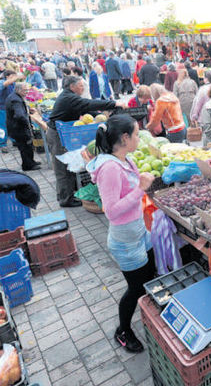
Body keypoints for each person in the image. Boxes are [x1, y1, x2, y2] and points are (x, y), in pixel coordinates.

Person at [86, 115, 156, 353]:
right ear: (125, 138)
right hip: (125, 241)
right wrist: (140, 190)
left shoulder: (124, 160)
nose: (139, 138)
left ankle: (151, 317)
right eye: (136, 134)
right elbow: (111, 211)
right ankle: (123, 330)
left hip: (138, 232)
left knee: (150, 276)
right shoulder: (109, 168)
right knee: (135, 288)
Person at [47, 76, 125, 207]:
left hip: (61, 132)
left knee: (65, 166)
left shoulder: (69, 96)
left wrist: (102, 117)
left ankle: (66, 193)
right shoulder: (69, 97)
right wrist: (113, 104)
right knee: (61, 167)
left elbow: (86, 109)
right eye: (80, 85)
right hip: (56, 134)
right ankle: (65, 199)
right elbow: (88, 103)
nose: (82, 88)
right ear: (72, 86)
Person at [5, 82, 43, 171]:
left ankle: (31, 161)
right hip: (18, 128)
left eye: (27, 90)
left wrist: (28, 110)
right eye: (25, 90)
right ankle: (28, 165)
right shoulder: (16, 100)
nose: (27, 92)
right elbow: (19, 115)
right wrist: (27, 123)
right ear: (18, 90)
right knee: (25, 147)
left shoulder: (14, 96)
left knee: (28, 146)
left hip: (16, 127)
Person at [0, 70, 22, 153]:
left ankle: (14, 140)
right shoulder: (2, 82)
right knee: (2, 127)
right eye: (13, 76)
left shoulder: (13, 84)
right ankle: (2, 144)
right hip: (2, 108)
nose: (15, 78)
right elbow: (5, 84)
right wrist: (17, 77)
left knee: (13, 125)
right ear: (7, 76)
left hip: (11, 108)